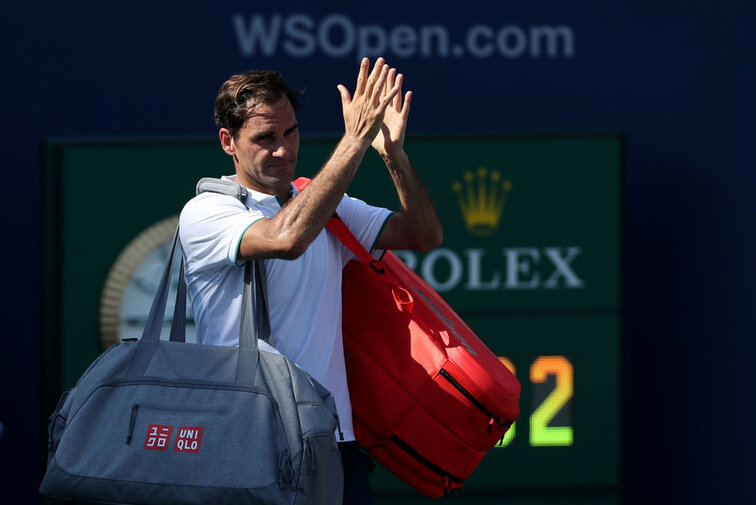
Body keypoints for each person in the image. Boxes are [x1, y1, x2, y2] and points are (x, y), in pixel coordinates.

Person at [179, 57, 442, 504]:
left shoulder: (328, 207)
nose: (283, 149)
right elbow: (288, 237)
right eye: (265, 138)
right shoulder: (206, 211)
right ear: (229, 142)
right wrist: (355, 138)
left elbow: (423, 234)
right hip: (249, 441)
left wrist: (393, 156)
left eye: (291, 132)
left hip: (334, 443)